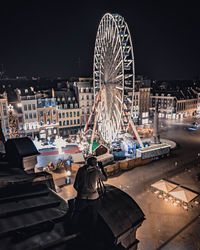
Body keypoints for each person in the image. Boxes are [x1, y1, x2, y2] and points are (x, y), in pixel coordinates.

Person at [72, 156, 107, 232]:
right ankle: (92, 231)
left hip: (81, 197)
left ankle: (72, 228)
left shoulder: (81, 170)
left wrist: (82, 192)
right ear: (95, 163)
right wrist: (102, 168)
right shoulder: (97, 171)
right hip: (93, 197)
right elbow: (105, 179)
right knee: (94, 215)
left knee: (76, 213)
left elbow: (75, 185)